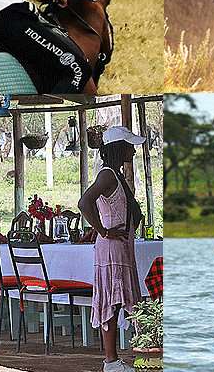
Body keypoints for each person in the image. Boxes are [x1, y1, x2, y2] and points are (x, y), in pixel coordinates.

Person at [78, 126, 147, 372]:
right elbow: (84, 202)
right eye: (130, 146)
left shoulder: (115, 175)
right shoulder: (107, 175)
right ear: (118, 148)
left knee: (118, 302)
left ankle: (117, 359)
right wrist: (103, 230)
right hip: (111, 249)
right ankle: (111, 361)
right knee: (112, 303)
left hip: (119, 249)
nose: (133, 150)